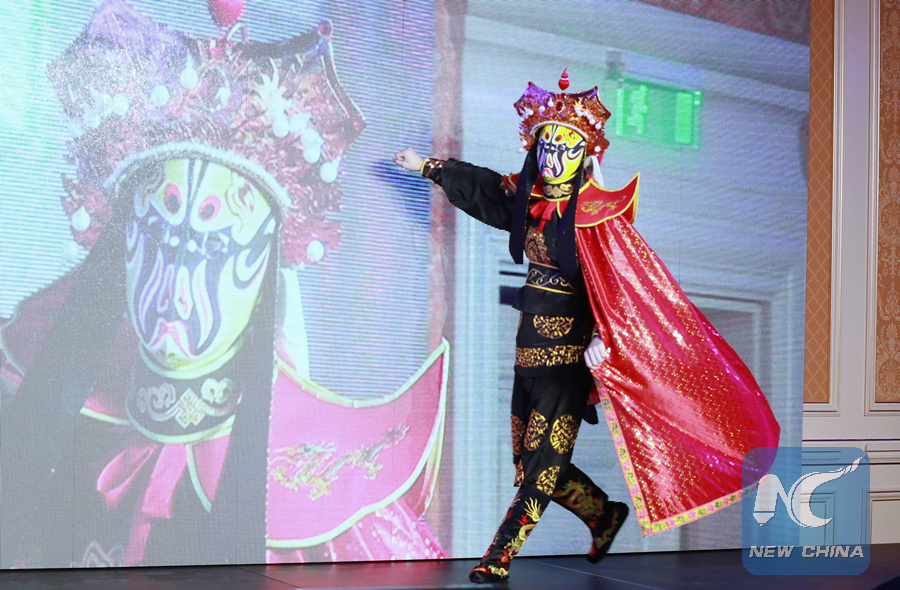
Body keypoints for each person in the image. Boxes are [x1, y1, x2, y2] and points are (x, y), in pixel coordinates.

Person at [0, 0, 447, 568]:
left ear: (264, 276)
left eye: (215, 249)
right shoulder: (42, 435)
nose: (176, 286)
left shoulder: (335, 530)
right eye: (157, 238)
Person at [395, 73, 780, 583]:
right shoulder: (527, 196)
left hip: (569, 357)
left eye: (566, 148)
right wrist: (429, 167)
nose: (554, 158)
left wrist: (605, 336)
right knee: (529, 461)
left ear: (585, 154)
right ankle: (602, 514)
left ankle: (498, 556)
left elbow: (621, 286)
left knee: (541, 468)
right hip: (529, 348)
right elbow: (485, 188)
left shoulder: (599, 215)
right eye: (547, 146)